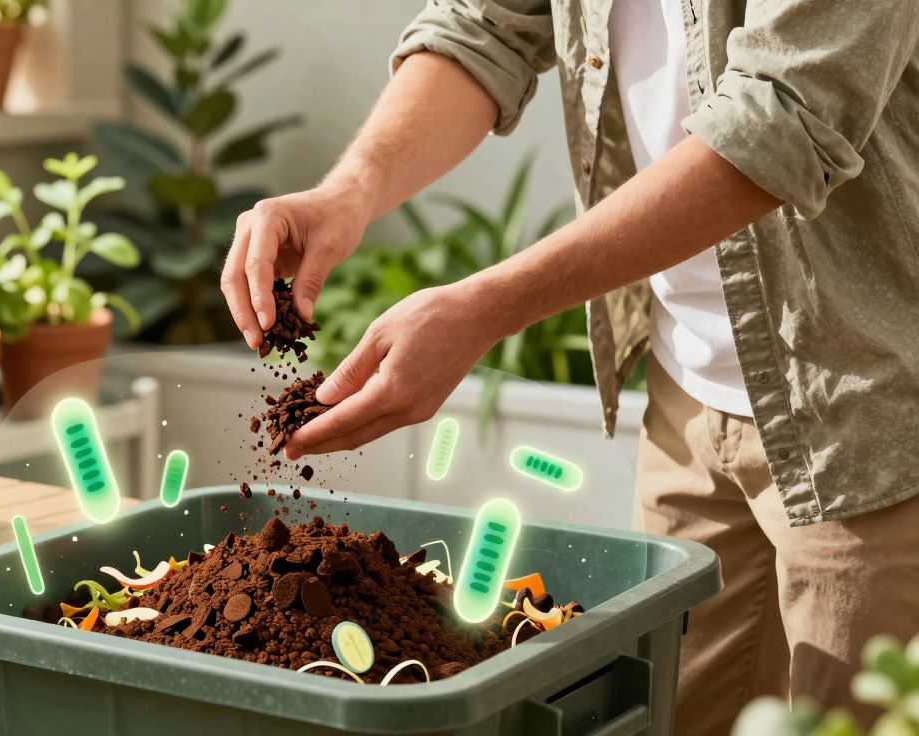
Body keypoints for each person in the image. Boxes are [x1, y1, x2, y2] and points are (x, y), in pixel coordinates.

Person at [220, 1, 919, 733]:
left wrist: (487, 308)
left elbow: (783, 116)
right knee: (664, 714)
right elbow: (484, 25)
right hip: (689, 398)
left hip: (868, 415)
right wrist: (346, 193)